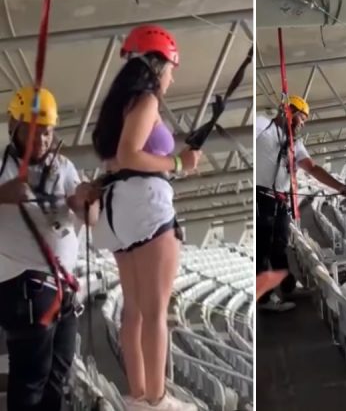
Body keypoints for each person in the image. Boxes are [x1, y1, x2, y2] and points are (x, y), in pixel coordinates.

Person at [90, 25, 201, 410]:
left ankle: (138, 394)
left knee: (134, 312)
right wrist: (178, 162)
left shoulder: (116, 107)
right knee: (155, 313)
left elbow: (115, 160)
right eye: (171, 66)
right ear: (157, 65)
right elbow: (129, 154)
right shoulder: (147, 100)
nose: (173, 75)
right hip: (147, 207)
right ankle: (157, 399)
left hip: (119, 211)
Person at [0, 86, 99, 410]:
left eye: (48, 133)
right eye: (34, 132)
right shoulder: (4, 168)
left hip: (62, 288)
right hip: (24, 284)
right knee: (32, 378)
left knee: (59, 378)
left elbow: (90, 218)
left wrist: (85, 201)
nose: (42, 140)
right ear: (14, 128)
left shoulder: (64, 167)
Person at [255, 96, 346, 311]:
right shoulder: (262, 126)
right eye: (301, 117)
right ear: (288, 111)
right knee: (262, 249)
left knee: (280, 246)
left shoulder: (294, 144)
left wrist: (340, 187)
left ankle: (288, 287)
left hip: (280, 201)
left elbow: (313, 168)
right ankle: (264, 299)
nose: (303, 123)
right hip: (262, 197)